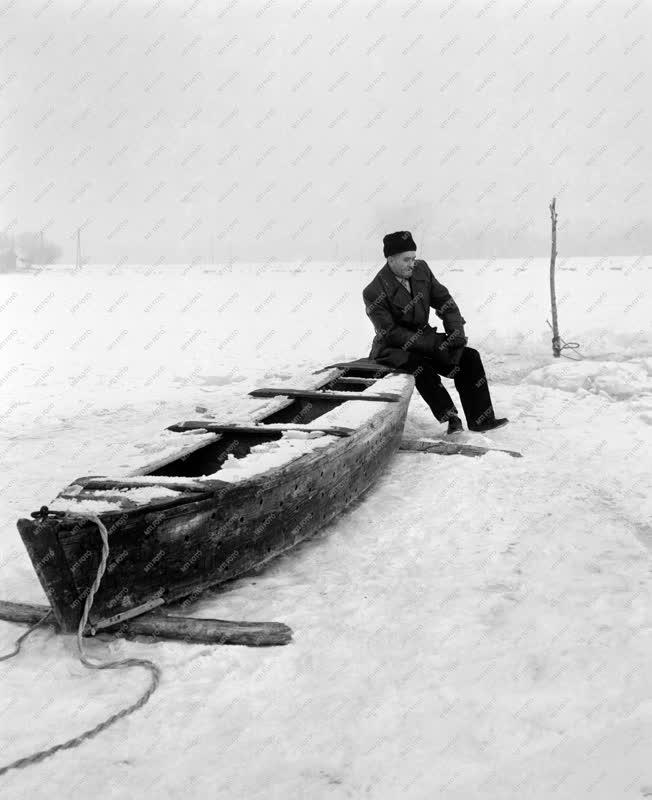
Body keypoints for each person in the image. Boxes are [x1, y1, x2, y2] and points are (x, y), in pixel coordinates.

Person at [362, 230, 508, 435]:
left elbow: (445, 302)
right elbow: (391, 333)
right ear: (390, 259)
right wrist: (433, 345)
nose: (412, 264)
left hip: (425, 338)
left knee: (468, 357)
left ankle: (481, 420)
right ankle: (450, 417)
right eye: (406, 260)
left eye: (413, 258)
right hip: (393, 348)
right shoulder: (373, 291)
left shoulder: (421, 270)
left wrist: (455, 334)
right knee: (420, 366)